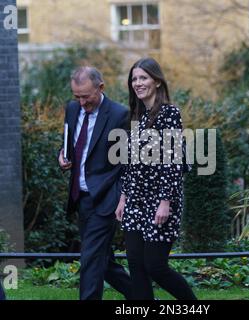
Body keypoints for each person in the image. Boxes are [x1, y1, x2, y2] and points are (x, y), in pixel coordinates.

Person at [115, 57, 197, 300]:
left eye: (143, 78)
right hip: (135, 201)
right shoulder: (137, 116)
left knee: (155, 266)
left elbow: (172, 162)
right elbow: (130, 164)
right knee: (136, 268)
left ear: (157, 82)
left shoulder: (169, 113)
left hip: (160, 201)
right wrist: (123, 197)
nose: (138, 83)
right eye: (134, 78)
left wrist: (165, 201)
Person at [58, 66, 132, 300]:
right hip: (80, 198)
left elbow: (127, 162)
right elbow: (69, 143)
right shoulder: (71, 109)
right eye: (76, 96)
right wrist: (62, 155)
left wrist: (122, 195)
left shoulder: (120, 114)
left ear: (101, 88)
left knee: (90, 258)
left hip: (105, 198)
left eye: (86, 96)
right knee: (102, 260)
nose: (81, 102)